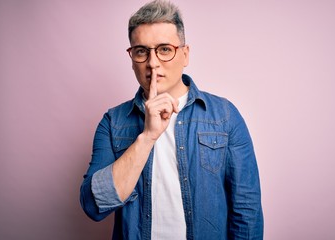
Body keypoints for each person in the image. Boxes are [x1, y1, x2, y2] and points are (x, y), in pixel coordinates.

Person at [80, 0, 263, 239]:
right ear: (132, 57)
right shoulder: (113, 122)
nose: (153, 63)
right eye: (141, 51)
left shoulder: (225, 116)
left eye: (165, 49)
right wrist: (147, 137)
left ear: (184, 55)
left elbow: (246, 212)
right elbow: (94, 205)